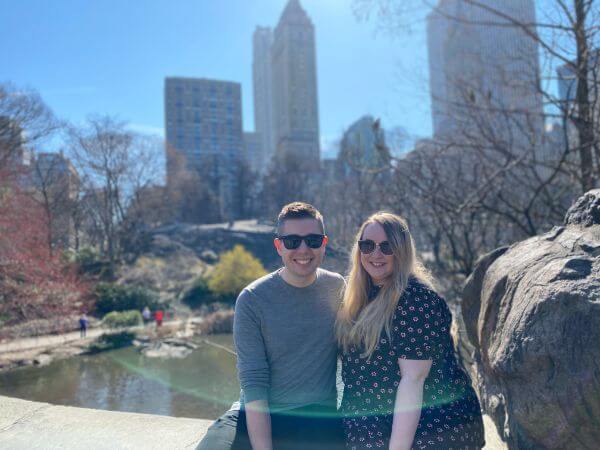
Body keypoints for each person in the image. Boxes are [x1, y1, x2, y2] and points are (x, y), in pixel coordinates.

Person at [197, 202, 346, 450]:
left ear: (324, 243)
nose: (303, 249)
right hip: (258, 410)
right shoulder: (252, 299)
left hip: (318, 415)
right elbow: (254, 383)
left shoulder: (336, 287)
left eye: (312, 240)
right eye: (292, 241)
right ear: (278, 246)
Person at [336, 212, 485, 450]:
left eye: (387, 247)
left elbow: (413, 380)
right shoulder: (362, 297)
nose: (376, 254)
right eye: (367, 245)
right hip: (375, 430)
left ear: (401, 250)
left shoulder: (415, 299)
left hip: (426, 434)